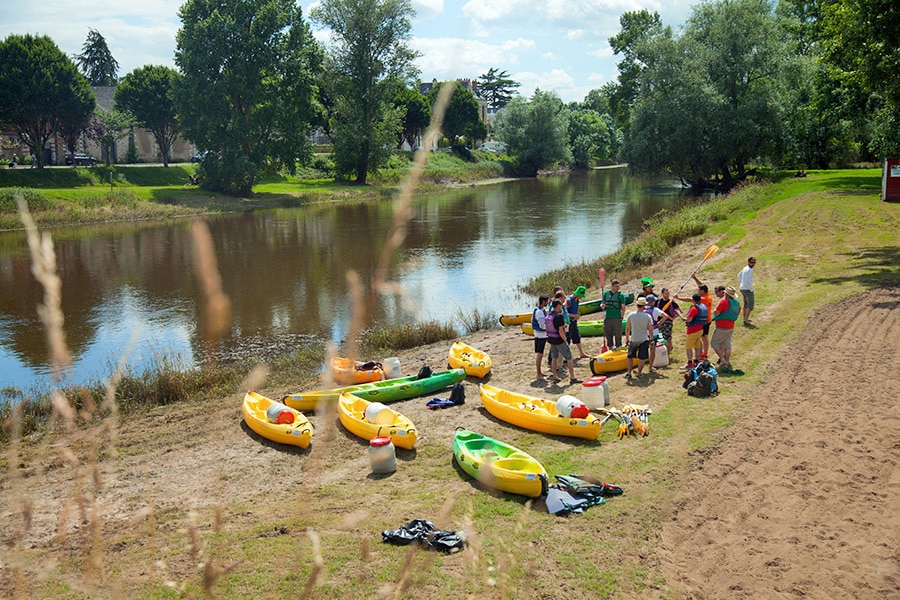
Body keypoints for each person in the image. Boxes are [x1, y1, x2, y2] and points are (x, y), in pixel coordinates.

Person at [677, 276, 713, 360]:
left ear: (702, 291)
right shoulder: (708, 294)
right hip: (707, 319)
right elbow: (701, 285)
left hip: (704, 320)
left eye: (699, 290)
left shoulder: (703, 299)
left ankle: (704, 354)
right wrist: (695, 278)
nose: (698, 291)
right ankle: (702, 354)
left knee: (704, 337)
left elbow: (689, 299)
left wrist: (678, 298)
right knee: (702, 337)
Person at [545, 299, 579, 385]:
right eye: (561, 306)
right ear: (558, 306)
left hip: (551, 339)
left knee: (554, 358)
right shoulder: (559, 316)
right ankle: (572, 377)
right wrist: (565, 340)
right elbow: (561, 330)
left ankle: (555, 377)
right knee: (569, 357)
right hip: (559, 340)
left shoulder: (549, 315)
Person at [711, 286, 741, 369]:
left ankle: (722, 359)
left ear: (726, 294)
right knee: (727, 345)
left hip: (721, 326)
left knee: (714, 343)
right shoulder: (737, 304)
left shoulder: (723, 302)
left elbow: (717, 313)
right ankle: (726, 361)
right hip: (731, 326)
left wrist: (714, 311)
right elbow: (737, 313)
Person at [624, 297, 654, 379]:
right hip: (644, 339)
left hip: (634, 339)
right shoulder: (647, 316)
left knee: (630, 357)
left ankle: (629, 373)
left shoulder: (631, 315)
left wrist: (627, 338)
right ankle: (639, 373)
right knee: (642, 358)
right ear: (644, 306)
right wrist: (651, 338)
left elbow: (627, 328)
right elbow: (650, 329)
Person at [600, 279, 634, 350]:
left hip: (617, 317)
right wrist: (602, 306)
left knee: (618, 335)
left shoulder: (621, 295)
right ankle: (610, 348)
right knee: (608, 334)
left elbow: (623, 307)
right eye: (616, 286)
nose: (617, 288)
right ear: (612, 286)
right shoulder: (606, 294)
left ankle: (618, 348)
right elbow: (602, 303)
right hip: (608, 317)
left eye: (618, 286)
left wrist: (621, 317)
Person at [679, 293, 707, 370]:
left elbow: (689, 319)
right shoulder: (703, 307)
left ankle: (689, 363)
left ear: (693, 300)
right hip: (700, 329)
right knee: (697, 346)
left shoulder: (694, 309)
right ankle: (697, 361)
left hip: (692, 331)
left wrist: (684, 319)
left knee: (688, 347)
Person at [643, 294, 671, 371]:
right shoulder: (655, 310)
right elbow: (665, 316)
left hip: (644, 332)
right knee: (652, 350)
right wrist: (659, 323)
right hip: (654, 332)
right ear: (652, 302)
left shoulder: (642, 309)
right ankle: (650, 366)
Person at [566, 285, 591, 359]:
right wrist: (574, 315)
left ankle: (581, 353)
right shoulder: (568, 300)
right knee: (567, 339)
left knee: (576, 336)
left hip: (574, 322)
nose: (580, 297)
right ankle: (565, 356)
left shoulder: (577, 301)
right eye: (580, 296)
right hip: (568, 322)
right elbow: (564, 313)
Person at [657, 287, 680, 356]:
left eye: (668, 293)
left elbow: (679, 312)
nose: (667, 295)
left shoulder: (671, 302)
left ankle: (668, 354)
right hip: (659, 322)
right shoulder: (658, 302)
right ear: (662, 294)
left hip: (668, 323)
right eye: (666, 293)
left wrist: (672, 318)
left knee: (668, 338)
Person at [532, 295, 550, 380]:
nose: (547, 303)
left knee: (541, 354)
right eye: (547, 301)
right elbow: (542, 325)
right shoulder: (539, 312)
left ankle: (540, 372)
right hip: (540, 336)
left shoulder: (541, 310)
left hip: (542, 335)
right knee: (540, 354)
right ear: (543, 301)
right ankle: (538, 373)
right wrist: (551, 327)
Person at [738, 257, 756, 325]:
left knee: (746, 304)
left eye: (754, 262)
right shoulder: (750, 270)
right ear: (748, 262)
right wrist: (751, 288)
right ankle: (746, 319)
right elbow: (749, 281)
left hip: (742, 288)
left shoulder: (745, 268)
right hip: (747, 289)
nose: (753, 264)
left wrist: (742, 283)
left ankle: (745, 318)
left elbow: (739, 276)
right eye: (752, 262)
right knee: (750, 305)